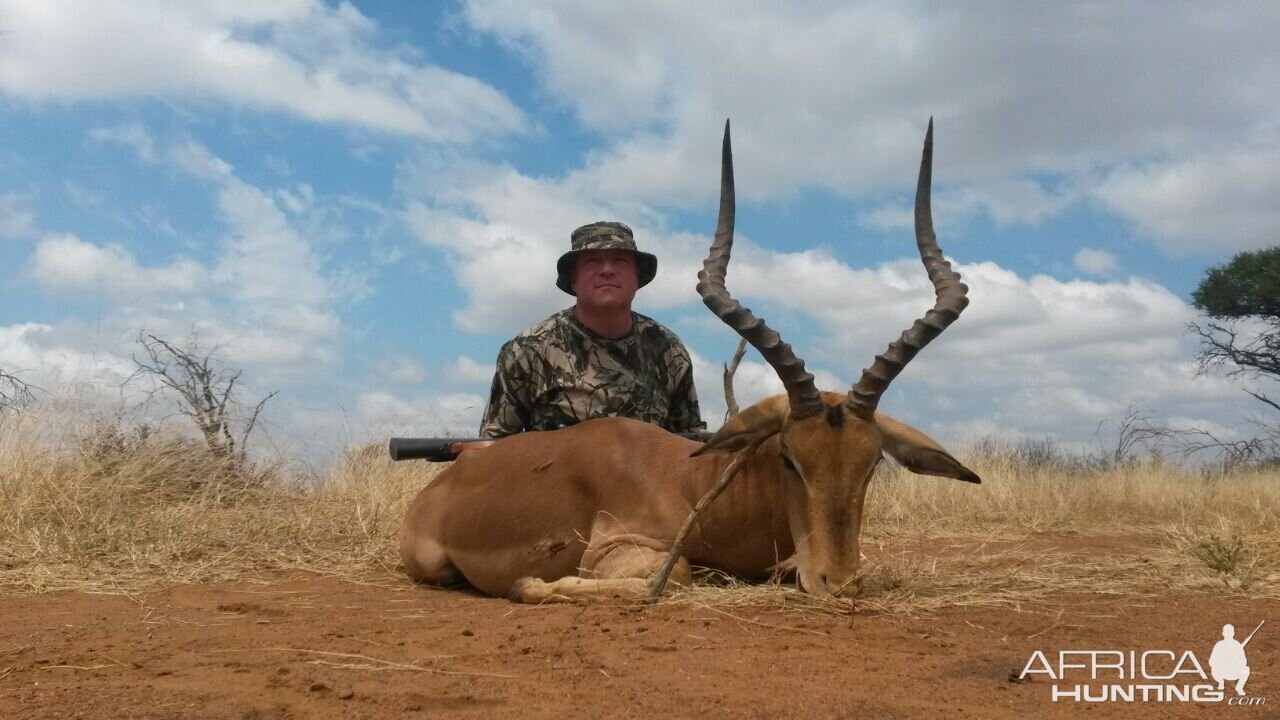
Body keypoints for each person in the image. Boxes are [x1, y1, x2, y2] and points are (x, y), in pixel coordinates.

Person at [480, 221, 705, 438]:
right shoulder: (529, 348)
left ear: (637, 279)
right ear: (574, 280)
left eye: (620, 261)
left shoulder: (668, 349)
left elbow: (690, 443)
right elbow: (493, 447)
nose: (607, 270)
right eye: (593, 261)